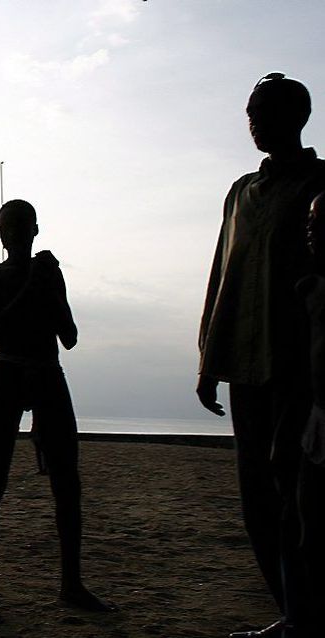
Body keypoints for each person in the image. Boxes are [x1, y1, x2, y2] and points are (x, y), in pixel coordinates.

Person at [197, 73, 325, 638]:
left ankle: (306, 613)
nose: (252, 120)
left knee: (298, 495)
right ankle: (290, 612)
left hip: (298, 366)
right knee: (257, 499)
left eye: (262, 110)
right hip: (243, 365)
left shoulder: (320, 183)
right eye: (249, 110)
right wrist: (207, 357)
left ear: (295, 116)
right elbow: (221, 274)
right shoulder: (240, 191)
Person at [0, 199, 113, 622]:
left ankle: (72, 583)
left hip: (49, 372)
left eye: (22, 225)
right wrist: (32, 285)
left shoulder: (50, 274)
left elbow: (68, 335)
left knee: (67, 482)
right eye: (8, 226)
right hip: (8, 372)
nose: (14, 233)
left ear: (35, 230)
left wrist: (49, 287)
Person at [298, 192, 325, 636]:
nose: (310, 231)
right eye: (309, 222)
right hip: (315, 419)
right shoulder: (310, 290)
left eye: (317, 223)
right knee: (308, 523)